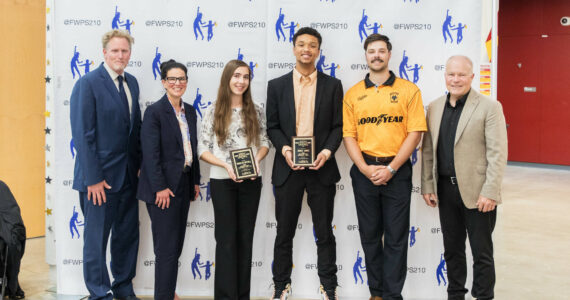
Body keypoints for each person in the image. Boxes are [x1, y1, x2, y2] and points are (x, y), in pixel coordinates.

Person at [342, 33, 427, 300]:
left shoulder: (409, 90)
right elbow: (348, 136)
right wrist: (366, 169)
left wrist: (390, 168)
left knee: (396, 238)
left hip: (397, 172)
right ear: (366, 56)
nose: (376, 55)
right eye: (371, 51)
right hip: (363, 171)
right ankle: (375, 293)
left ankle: (392, 295)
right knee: (369, 236)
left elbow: (415, 134)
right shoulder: (353, 93)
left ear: (389, 54)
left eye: (381, 51)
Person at [421, 55, 508, 300]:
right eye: (451, 74)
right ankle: (455, 295)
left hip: (478, 193)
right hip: (445, 192)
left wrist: (490, 191)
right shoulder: (435, 107)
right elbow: (428, 150)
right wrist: (427, 184)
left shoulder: (490, 107)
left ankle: (483, 296)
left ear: (472, 77)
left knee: (482, 253)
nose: (456, 79)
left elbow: (498, 153)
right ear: (445, 75)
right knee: (452, 250)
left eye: (461, 75)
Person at [266, 27, 343, 300]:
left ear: (318, 51)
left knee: (325, 233)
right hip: (288, 170)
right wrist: (285, 149)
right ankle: (280, 288)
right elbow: (272, 127)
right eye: (301, 44)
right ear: (293, 48)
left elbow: (337, 127)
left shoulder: (333, 86)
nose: (306, 50)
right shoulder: (276, 85)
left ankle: (329, 288)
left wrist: (326, 152)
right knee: (283, 233)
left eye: (312, 45)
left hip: (321, 170)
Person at [69, 29, 141, 300]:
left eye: (124, 51)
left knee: (126, 238)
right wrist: (93, 179)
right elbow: (83, 136)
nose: (120, 55)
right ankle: (100, 294)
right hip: (98, 181)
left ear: (129, 54)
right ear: (104, 53)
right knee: (96, 242)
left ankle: (123, 288)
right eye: (115, 51)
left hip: (127, 179)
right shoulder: (88, 83)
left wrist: (139, 165)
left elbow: (134, 130)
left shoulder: (132, 83)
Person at [198, 59, 270, 300]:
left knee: (245, 239)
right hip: (222, 181)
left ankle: (242, 296)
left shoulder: (257, 109)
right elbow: (203, 148)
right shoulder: (214, 108)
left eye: (246, 77)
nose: (241, 81)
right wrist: (225, 165)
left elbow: (264, 143)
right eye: (236, 76)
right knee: (226, 240)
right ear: (227, 78)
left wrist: (257, 161)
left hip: (252, 181)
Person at [137, 59, 200, 300]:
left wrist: (194, 180)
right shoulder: (154, 112)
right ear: (164, 82)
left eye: (181, 78)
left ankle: (167, 291)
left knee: (176, 246)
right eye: (172, 79)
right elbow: (150, 154)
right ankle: (163, 296)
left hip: (183, 184)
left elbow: (191, 148)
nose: (177, 83)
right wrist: (160, 187)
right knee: (166, 249)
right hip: (162, 189)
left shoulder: (191, 111)